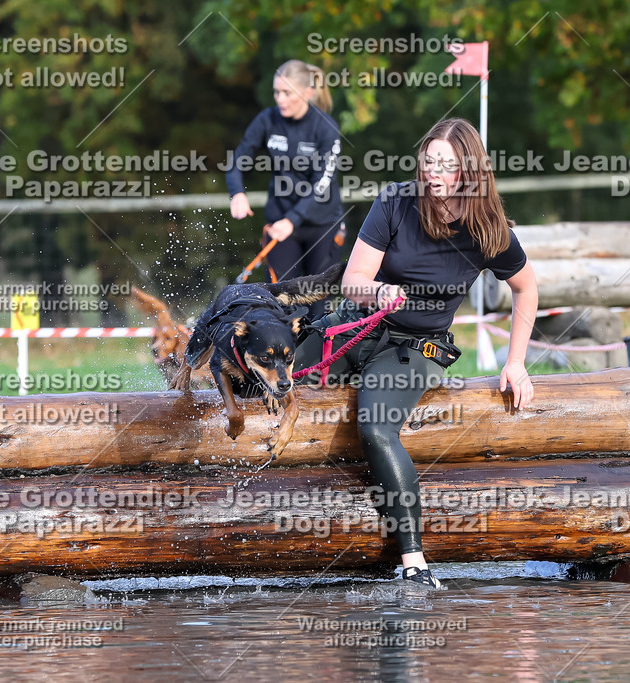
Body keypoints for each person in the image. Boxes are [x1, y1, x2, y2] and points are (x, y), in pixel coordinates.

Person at [295, 118, 538, 589]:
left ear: (468, 170)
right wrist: (378, 292)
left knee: (376, 426)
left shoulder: (487, 230)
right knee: (272, 379)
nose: (433, 172)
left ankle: (413, 562)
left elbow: (526, 289)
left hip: (414, 348)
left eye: (445, 164)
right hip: (356, 326)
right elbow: (352, 282)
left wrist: (515, 362)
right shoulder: (395, 202)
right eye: (428, 161)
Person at [225, 59, 344, 283]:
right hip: (279, 224)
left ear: (308, 93)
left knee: (316, 308)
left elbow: (322, 183)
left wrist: (292, 220)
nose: (280, 99)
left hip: (322, 225)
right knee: (277, 303)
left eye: (287, 93)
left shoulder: (325, 128)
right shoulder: (267, 120)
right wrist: (237, 192)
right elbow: (238, 159)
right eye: (277, 92)